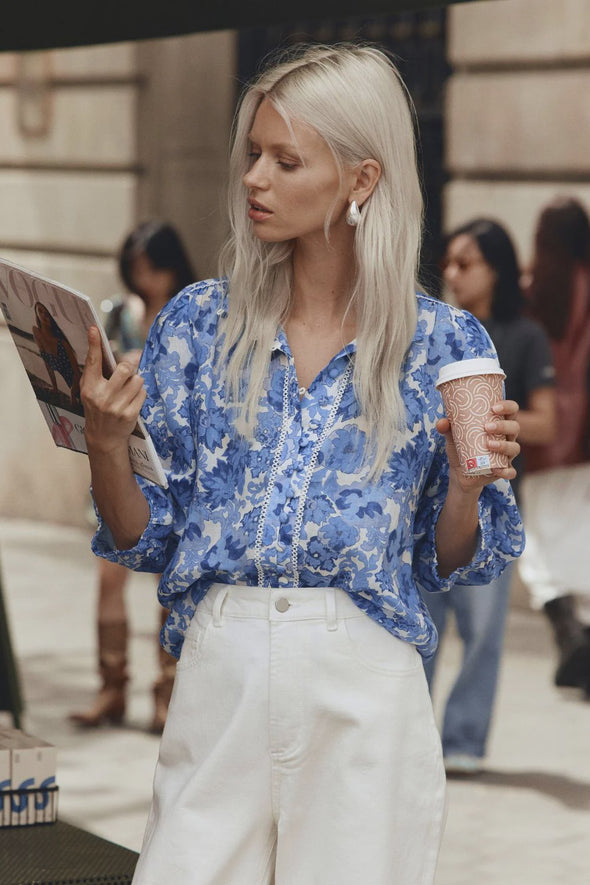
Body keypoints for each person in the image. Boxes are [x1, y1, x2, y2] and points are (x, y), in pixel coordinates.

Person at [80, 44, 524, 885]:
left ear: (362, 180)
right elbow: (146, 537)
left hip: (364, 667)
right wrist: (106, 446)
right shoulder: (198, 325)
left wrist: (466, 488)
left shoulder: (443, 343)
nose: (256, 177)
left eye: (287, 160)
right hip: (221, 657)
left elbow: (453, 558)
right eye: (253, 152)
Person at [422, 218, 555, 774]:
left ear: (495, 268)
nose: (451, 274)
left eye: (465, 263)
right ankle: (411, 736)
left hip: (493, 506)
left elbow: (548, 421)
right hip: (425, 503)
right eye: (447, 263)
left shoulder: (523, 335)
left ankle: (464, 743)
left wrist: (499, 422)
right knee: (420, 630)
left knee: (482, 636)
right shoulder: (429, 333)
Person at [70, 220, 196, 733]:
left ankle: (167, 692)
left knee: (170, 582)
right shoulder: (116, 314)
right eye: (137, 268)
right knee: (108, 575)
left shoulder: (195, 313)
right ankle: (111, 687)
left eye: (153, 267)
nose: (146, 278)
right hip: (119, 453)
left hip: (174, 464)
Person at [518, 196, 590, 697]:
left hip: (543, 436)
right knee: (578, 535)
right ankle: (577, 632)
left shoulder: (535, 290)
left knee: (541, 540)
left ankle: (570, 629)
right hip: (585, 433)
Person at [33, 302, 83, 410]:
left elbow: (77, 372)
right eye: (40, 311)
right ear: (36, 314)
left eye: (47, 313)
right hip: (72, 387)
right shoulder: (36, 332)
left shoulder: (62, 343)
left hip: (80, 383)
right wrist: (55, 388)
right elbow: (49, 366)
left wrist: (72, 394)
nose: (43, 315)